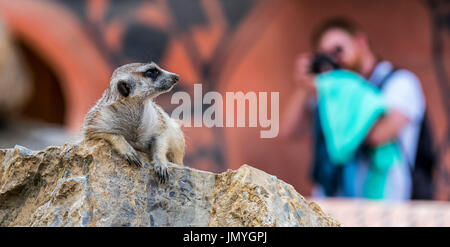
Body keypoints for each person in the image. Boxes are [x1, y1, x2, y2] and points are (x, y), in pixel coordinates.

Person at [283, 17, 426, 200]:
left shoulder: (401, 82)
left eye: (338, 50)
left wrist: (330, 88)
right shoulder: (330, 91)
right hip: (332, 204)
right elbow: (288, 130)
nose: (335, 60)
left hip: (385, 207)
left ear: (360, 42)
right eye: (325, 55)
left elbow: (377, 134)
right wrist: (304, 86)